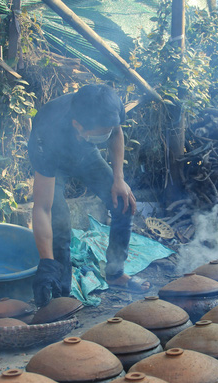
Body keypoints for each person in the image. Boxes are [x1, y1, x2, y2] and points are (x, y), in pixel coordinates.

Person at [28, 84, 150, 307]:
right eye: (99, 134)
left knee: (123, 202)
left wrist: (118, 179)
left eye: (104, 133)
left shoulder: (108, 107)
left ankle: (115, 274)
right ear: (78, 126)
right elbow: (42, 208)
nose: (105, 135)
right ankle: (61, 295)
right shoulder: (47, 133)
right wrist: (46, 262)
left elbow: (116, 132)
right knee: (60, 224)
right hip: (54, 161)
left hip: (85, 155)